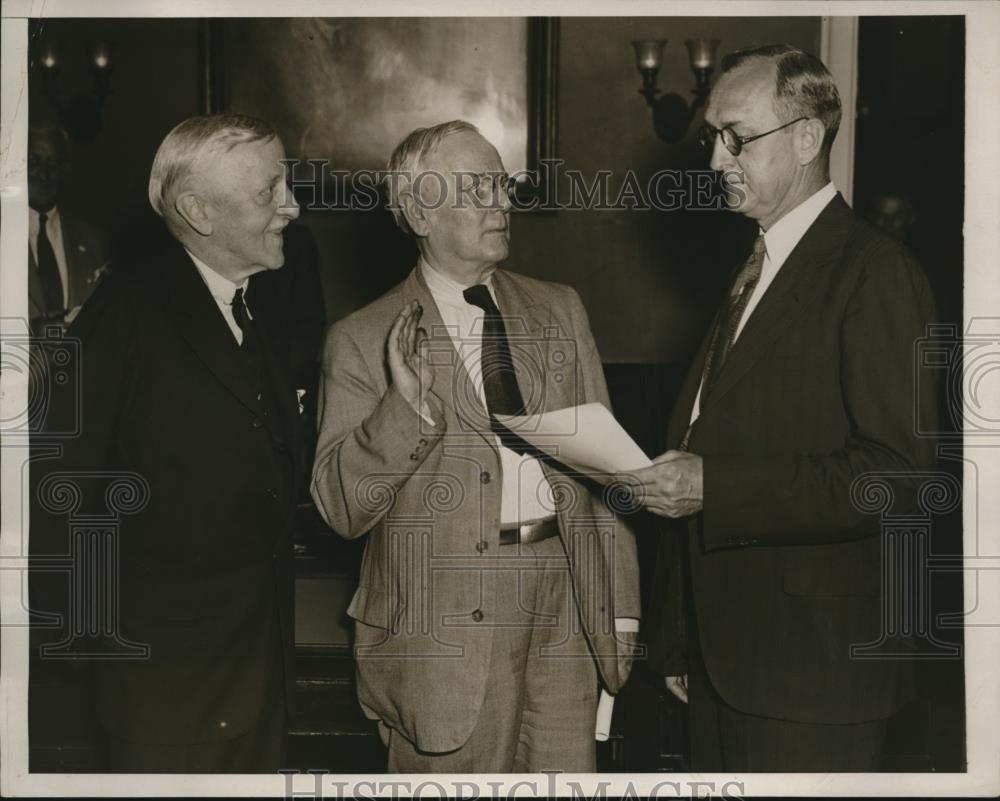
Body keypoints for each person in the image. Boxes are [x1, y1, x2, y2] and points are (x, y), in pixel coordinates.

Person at [631, 45, 938, 771]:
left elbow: (897, 477)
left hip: (815, 677)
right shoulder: (755, 265)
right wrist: (679, 642)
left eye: (737, 137)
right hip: (723, 667)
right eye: (713, 137)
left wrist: (715, 486)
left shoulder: (874, 273)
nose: (714, 161)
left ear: (807, 138)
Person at [311, 120, 640, 773]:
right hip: (442, 629)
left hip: (565, 600)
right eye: (477, 187)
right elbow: (341, 507)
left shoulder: (560, 309)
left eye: (501, 181)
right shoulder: (362, 337)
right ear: (419, 212)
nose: (502, 201)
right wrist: (403, 409)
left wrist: (623, 610)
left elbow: (611, 474)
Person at [30, 113, 302, 772]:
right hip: (166, 691)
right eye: (270, 191)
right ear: (197, 211)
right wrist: (106, 661)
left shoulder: (249, 307)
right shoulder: (125, 314)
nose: (291, 206)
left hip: (253, 676)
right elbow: (60, 493)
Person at [27, 118, 112, 333]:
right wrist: (31, 332)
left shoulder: (95, 243)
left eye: (53, 164)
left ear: (65, 169)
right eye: (33, 162)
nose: (44, 174)